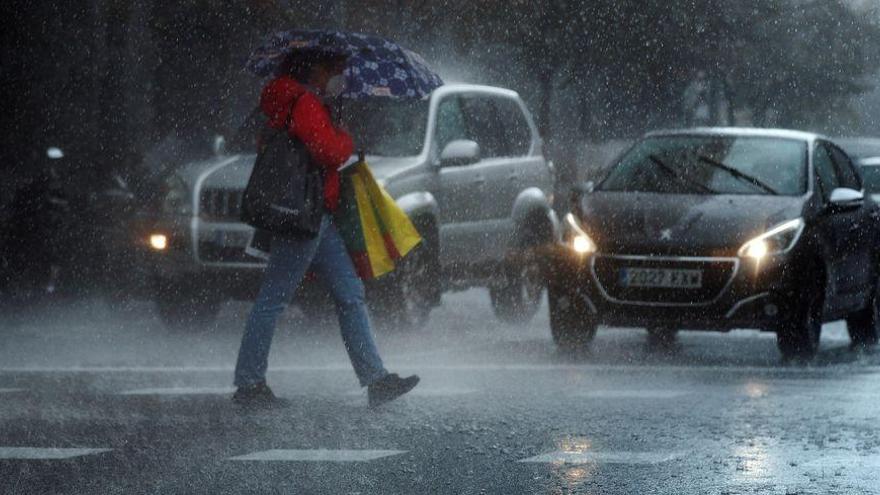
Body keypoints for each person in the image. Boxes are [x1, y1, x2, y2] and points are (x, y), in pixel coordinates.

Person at [233, 51, 419, 408]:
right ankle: (249, 384)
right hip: (304, 215)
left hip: (317, 214)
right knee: (273, 298)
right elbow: (328, 151)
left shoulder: (297, 99)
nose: (337, 75)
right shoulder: (303, 101)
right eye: (332, 68)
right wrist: (346, 138)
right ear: (312, 68)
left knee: (350, 293)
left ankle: (376, 379)